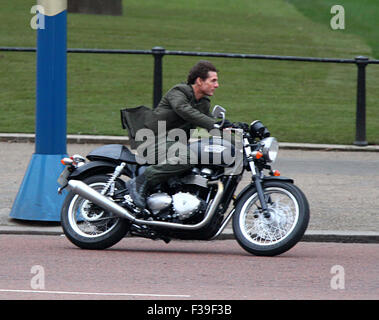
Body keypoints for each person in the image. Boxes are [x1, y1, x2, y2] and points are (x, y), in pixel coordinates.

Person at [126, 60, 232, 209]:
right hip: (153, 140)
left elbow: (210, 124)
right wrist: (214, 123)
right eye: (213, 81)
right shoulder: (179, 92)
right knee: (187, 157)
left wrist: (234, 130)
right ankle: (141, 181)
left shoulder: (202, 103)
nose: (217, 85)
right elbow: (183, 109)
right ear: (199, 81)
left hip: (173, 144)